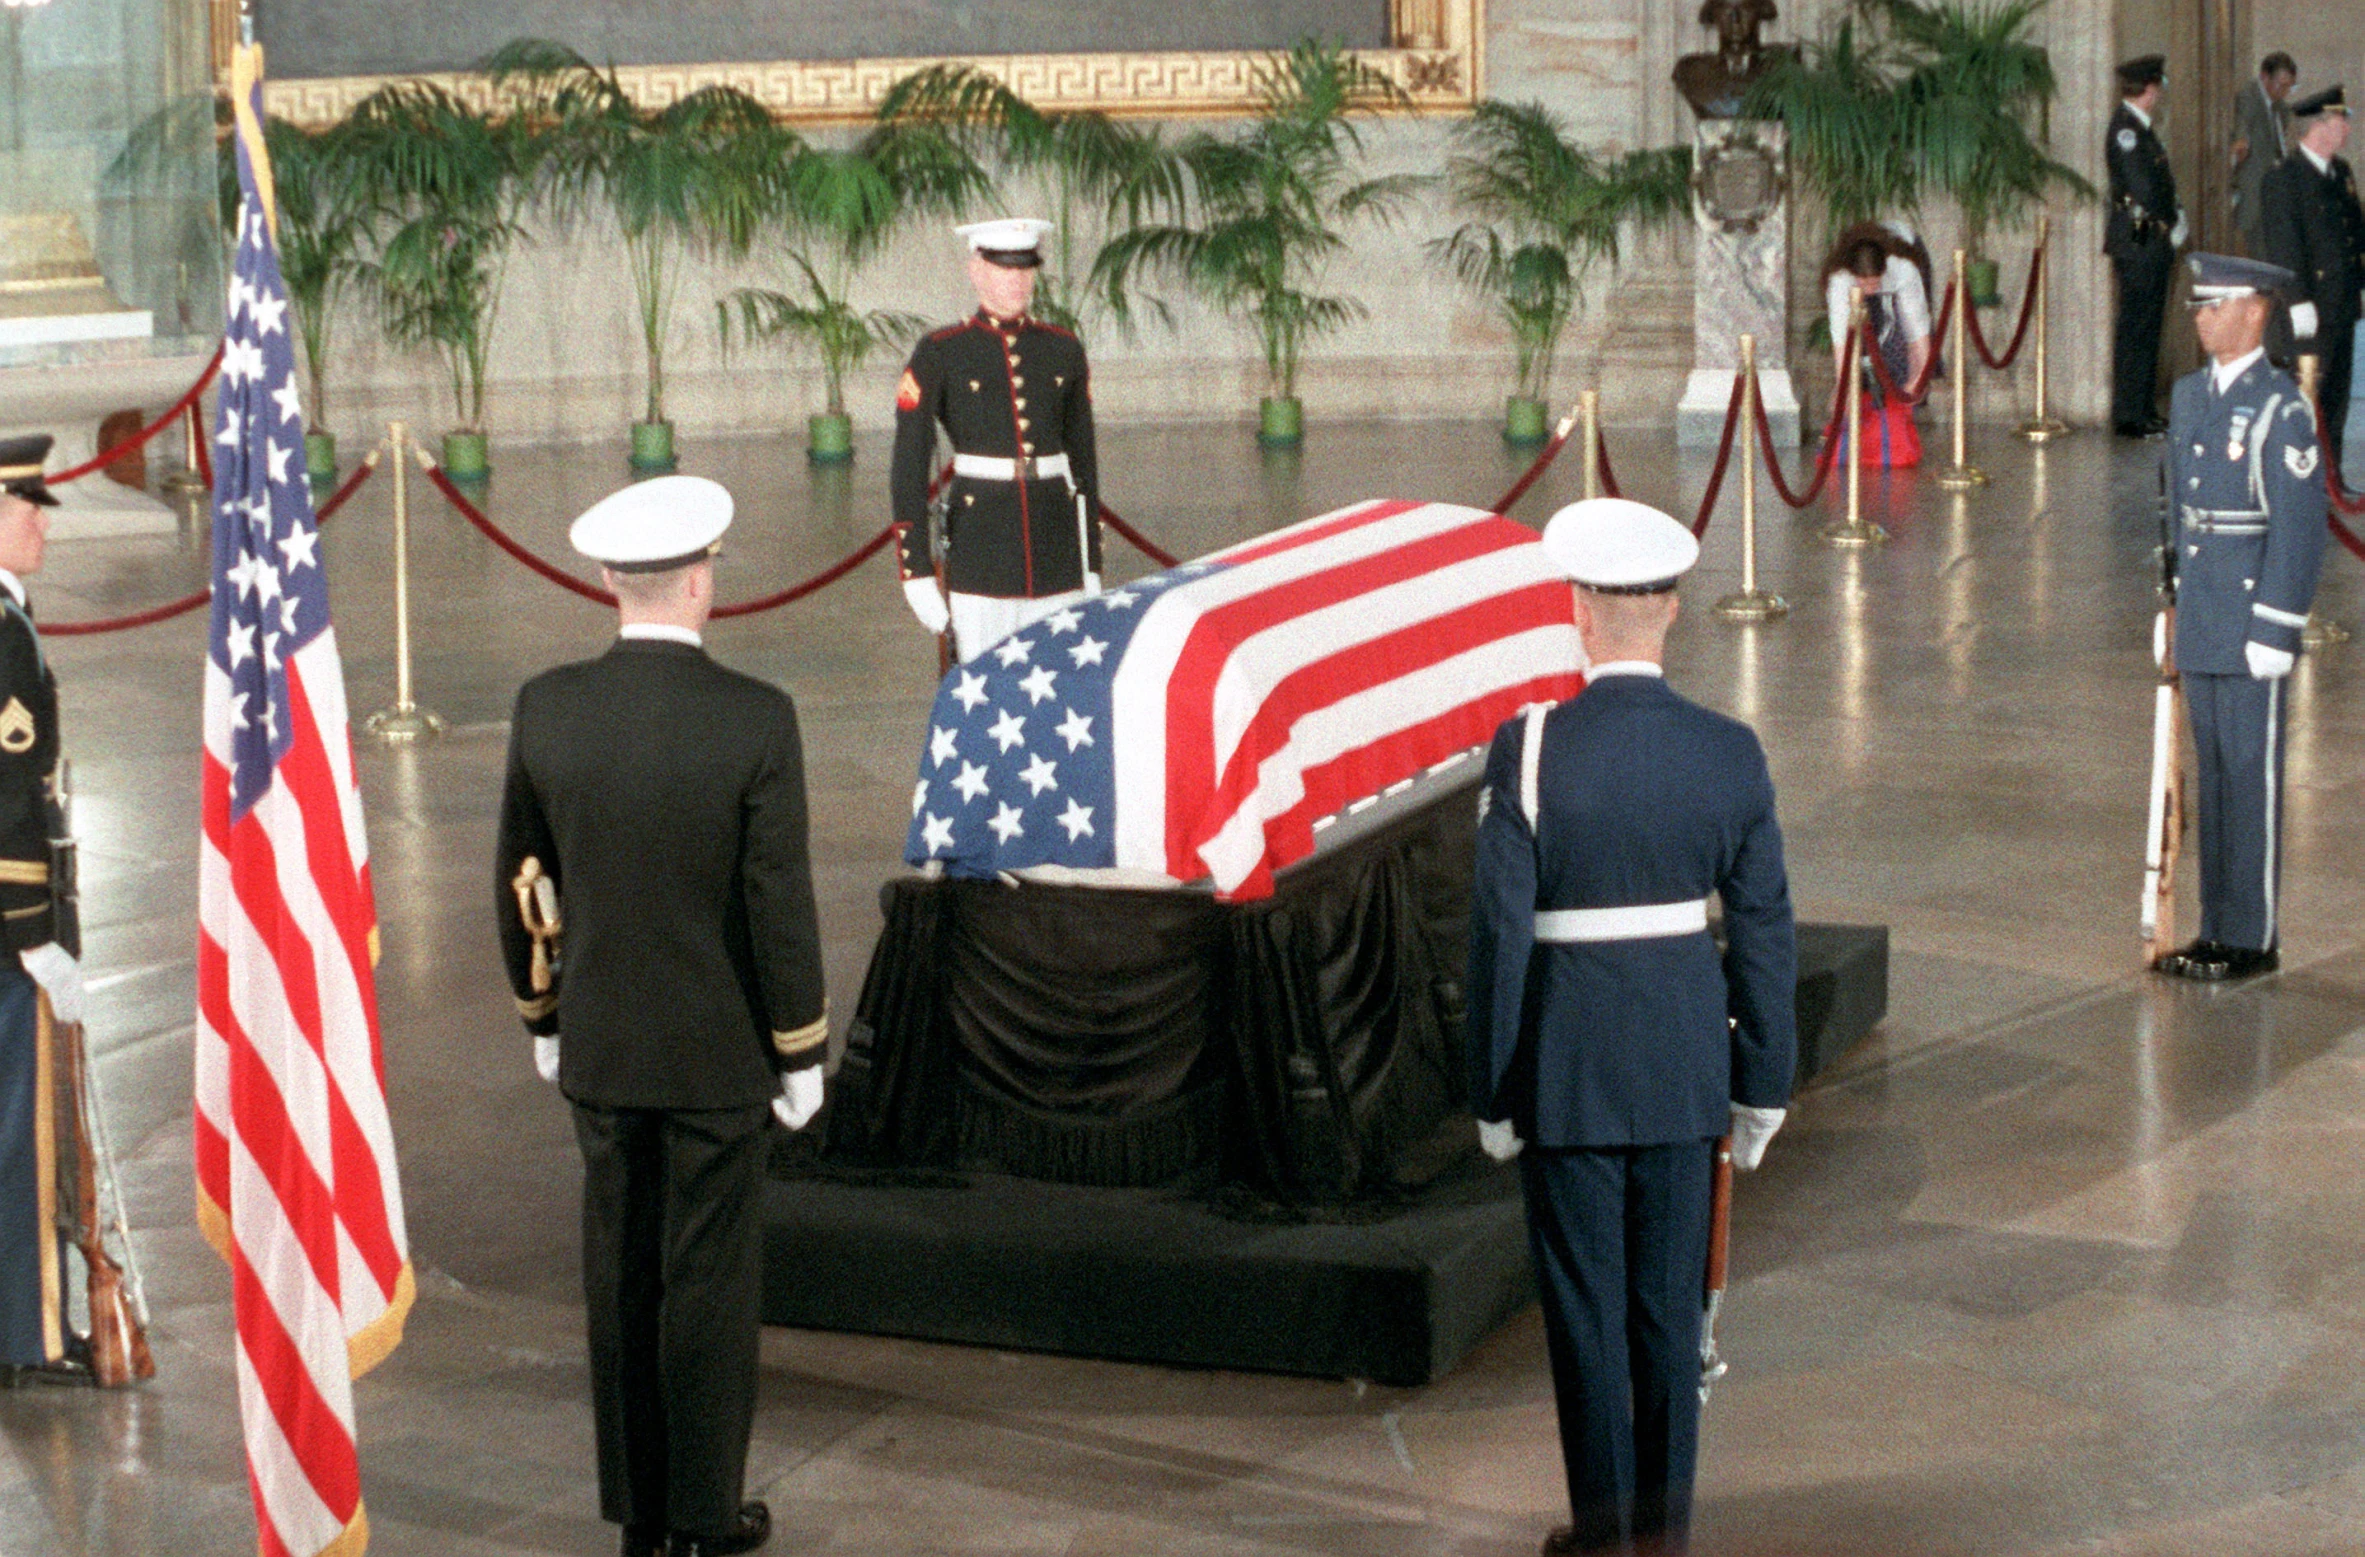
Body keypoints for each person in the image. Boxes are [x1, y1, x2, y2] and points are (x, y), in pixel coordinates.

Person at [495, 476, 829, 1557]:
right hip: (719, 1053)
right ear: (702, 581)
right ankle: (702, 1512)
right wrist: (802, 1049)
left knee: (620, 1279)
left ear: (605, 583)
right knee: (710, 1289)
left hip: (600, 1042)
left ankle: (640, 1516)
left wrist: (544, 1016)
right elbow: (776, 905)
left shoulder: (548, 707)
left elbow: (523, 879)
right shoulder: (755, 719)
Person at [1464, 497, 1797, 1556]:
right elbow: (1764, 934)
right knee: (1671, 1323)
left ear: (1578, 612)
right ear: (1669, 611)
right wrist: (1763, 1082)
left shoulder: (1528, 750)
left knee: (1586, 1323)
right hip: (1684, 1067)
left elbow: (1498, 941)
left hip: (1567, 1072)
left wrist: (1494, 1089)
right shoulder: (1728, 752)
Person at [2151, 255, 2326, 984]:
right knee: (2213, 780)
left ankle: (2250, 935)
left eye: (2214, 305)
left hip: (2250, 616)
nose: (2200, 317)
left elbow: (2297, 528)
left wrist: (2275, 628)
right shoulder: (2191, 396)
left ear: (2254, 311)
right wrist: (2170, 597)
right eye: (2197, 305)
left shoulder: (2280, 408)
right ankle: (2212, 927)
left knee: (2249, 778)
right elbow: (2173, 506)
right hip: (2202, 613)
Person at [891, 217, 1102, 664]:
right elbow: (909, 462)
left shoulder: (1063, 349)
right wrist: (916, 572)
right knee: (985, 690)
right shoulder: (943, 351)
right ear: (976, 270)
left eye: (1025, 269)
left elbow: (1083, 464)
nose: (1017, 280)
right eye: (1005, 269)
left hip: (1055, 547)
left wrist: (1091, 564)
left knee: (1059, 688)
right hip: (982, 547)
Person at [0, 435, 89, 1388]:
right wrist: (35, 937)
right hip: (5, 926)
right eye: (27, 507)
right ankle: (28, 1333)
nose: (41, 523)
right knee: (20, 1135)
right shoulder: (1, 633)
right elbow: (9, 793)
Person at [2260, 85, 2363, 480]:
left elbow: (2354, 232)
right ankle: (2299, 480)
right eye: (2341, 121)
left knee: (2336, 400)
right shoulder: (2284, 178)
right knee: (2307, 399)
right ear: (2318, 127)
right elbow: (2284, 247)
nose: (2347, 130)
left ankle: (2330, 477)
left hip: (2342, 304)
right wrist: (2296, 299)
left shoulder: (2340, 173)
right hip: (2309, 309)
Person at [2108, 55, 2184, 437]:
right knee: (2136, 326)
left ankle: (2143, 406)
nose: (2159, 94)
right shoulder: (2126, 130)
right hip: (2138, 235)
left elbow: (2162, 183)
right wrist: (2170, 219)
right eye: (2158, 87)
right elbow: (2142, 188)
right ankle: (2129, 414)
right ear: (2149, 88)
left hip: (2150, 237)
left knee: (2150, 325)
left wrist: (2176, 213)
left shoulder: (2143, 128)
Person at [1823, 226, 1934, 404]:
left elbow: (1917, 329)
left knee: (1900, 354)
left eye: (1874, 283)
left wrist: (1919, 379)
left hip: (1909, 245)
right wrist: (1843, 389)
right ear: (1853, 275)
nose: (1870, 289)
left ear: (1883, 272)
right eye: (1864, 283)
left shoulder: (1902, 269)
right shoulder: (1840, 279)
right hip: (1854, 278)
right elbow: (1841, 338)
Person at [2231, 53, 2299, 255]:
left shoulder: (2279, 107)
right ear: (2264, 77)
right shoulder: (2248, 98)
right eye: (2281, 84)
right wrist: (2240, 142)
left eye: (2290, 86)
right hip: (2252, 196)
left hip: (2272, 195)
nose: (2285, 91)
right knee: (2254, 256)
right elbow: (2241, 128)